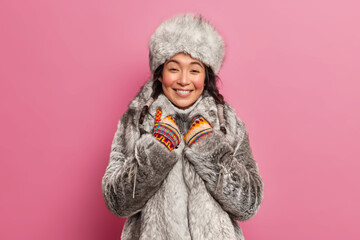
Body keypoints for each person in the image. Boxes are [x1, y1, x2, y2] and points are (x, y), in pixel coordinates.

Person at [101, 13, 264, 240]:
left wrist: (210, 149)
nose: (184, 80)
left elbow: (249, 204)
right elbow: (116, 202)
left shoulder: (228, 122)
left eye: (194, 70)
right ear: (160, 73)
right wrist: (157, 149)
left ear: (206, 76)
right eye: (174, 68)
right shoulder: (135, 120)